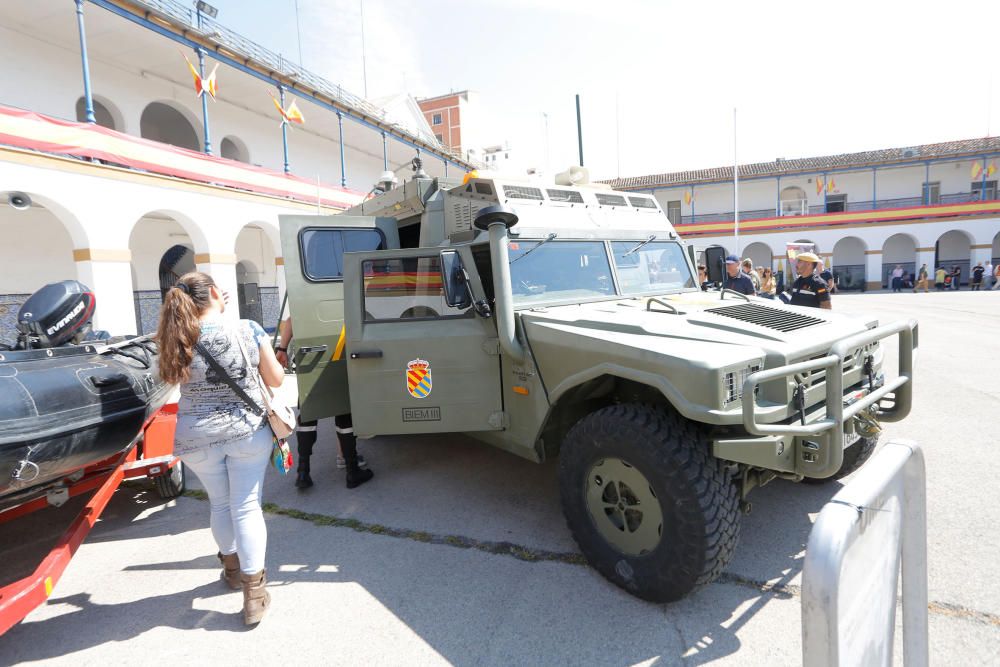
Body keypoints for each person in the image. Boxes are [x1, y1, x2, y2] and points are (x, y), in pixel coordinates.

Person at [156, 272, 282, 626]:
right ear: (213, 292)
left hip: (195, 437)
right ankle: (254, 595)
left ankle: (230, 569)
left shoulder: (175, 335)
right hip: (245, 432)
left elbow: (169, 381)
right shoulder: (247, 329)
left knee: (221, 504)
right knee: (246, 507)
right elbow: (275, 379)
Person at [276, 318, 373, 490]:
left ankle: (303, 472)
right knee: (344, 412)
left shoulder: (304, 291)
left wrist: (282, 348)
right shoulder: (340, 291)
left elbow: (292, 320)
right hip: (340, 353)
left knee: (308, 415)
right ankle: (352, 470)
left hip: (310, 355)